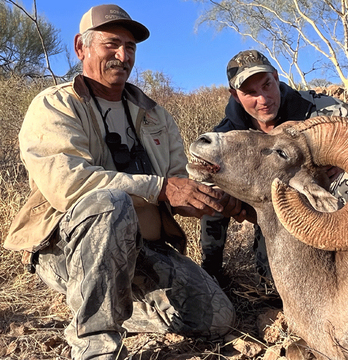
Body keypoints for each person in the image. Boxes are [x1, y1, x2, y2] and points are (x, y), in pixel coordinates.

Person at [4, 4, 235, 359]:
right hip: (67, 250)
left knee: (217, 317)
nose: (122, 55)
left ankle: (107, 308)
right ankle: (96, 343)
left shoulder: (156, 115)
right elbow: (68, 184)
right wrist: (159, 189)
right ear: (82, 47)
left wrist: (222, 199)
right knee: (109, 201)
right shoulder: (56, 104)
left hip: (144, 249)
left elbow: (179, 184)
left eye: (130, 47)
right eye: (111, 44)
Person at [200, 49, 348, 282]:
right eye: (250, 93)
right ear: (235, 95)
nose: (263, 99)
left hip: (322, 199)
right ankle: (211, 271)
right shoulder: (226, 135)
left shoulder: (314, 108)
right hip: (271, 210)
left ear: (276, 77)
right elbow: (204, 186)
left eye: (267, 85)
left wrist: (344, 160)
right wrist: (230, 201)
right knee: (271, 278)